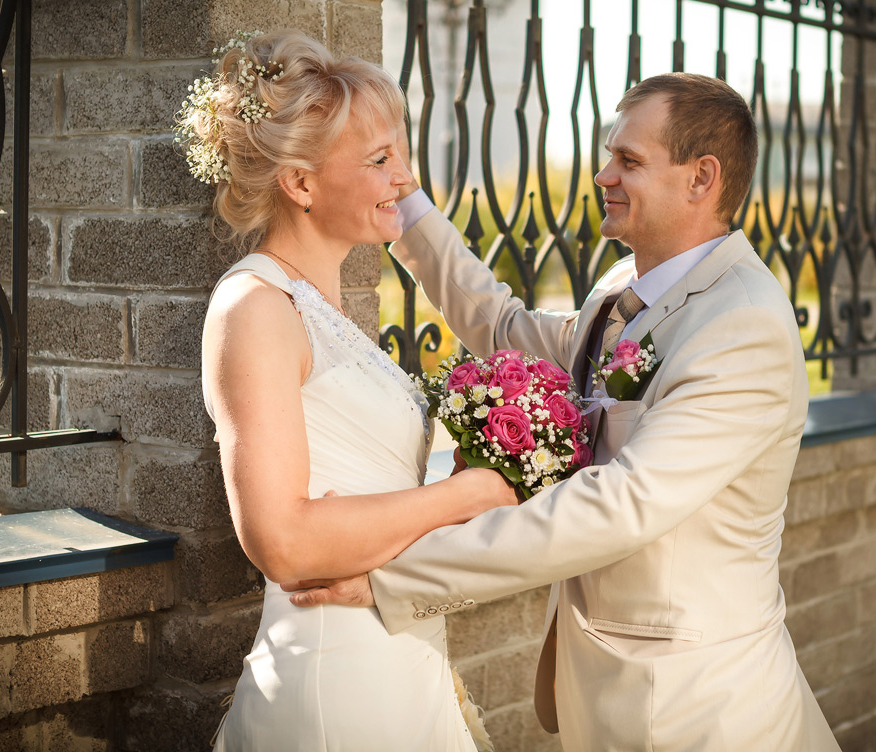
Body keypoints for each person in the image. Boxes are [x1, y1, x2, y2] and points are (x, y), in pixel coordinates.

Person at [287, 73, 842, 750]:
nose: (603, 174)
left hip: (696, 708)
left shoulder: (742, 324)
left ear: (701, 178)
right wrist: (397, 195)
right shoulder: (620, 290)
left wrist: (393, 574)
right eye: (610, 154)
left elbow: (620, 504)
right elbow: (504, 326)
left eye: (629, 161)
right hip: (606, 696)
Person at [187, 30, 517, 751]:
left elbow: (363, 489)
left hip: (400, 660)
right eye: (379, 159)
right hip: (336, 688)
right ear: (300, 184)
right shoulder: (255, 308)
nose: (405, 178)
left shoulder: (323, 310)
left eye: (400, 151)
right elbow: (285, 542)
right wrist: (464, 496)